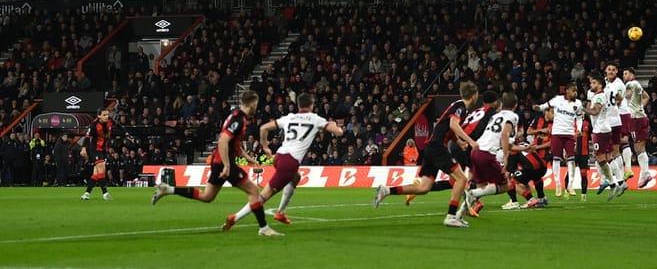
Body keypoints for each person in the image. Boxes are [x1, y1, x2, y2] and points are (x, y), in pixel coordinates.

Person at [151, 91, 279, 237]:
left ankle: (168, 189)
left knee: (207, 196)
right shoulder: (239, 120)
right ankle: (264, 228)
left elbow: (233, 142)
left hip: (219, 161)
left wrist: (246, 157)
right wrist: (227, 165)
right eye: (256, 105)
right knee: (254, 191)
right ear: (252, 104)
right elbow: (223, 140)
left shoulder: (236, 116)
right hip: (224, 162)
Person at [222, 92, 344, 232]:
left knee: (296, 177)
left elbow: (263, 128)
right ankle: (235, 218)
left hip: (280, 156)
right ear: (312, 105)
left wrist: (265, 146)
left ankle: (280, 212)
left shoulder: (289, 117)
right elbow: (339, 132)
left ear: (298, 105)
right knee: (264, 195)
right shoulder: (315, 119)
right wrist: (335, 124)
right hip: (289, 161)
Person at [374, 81, 480, 228]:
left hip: (431, 148)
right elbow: (452, 125)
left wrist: (459, 141)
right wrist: (470, 141)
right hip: (437, 147)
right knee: (461, 179)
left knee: (424, 188)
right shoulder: (460, 107)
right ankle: (451, 216)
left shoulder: (457, 106)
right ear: (474, 95)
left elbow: (447, 127)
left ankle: (386, 190)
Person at [459, 92, 526, 219]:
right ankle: (473, 193)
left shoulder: (496, 115)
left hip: (476, 150)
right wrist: (506, 158)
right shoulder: (513, 116)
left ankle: (458, 215)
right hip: (487, 154)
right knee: (506, 184)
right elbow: (505, 136)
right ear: (515, 105)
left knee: (481, 183)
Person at [531, 82, 583, 197]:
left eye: (576, 91)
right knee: (556, 159)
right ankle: (558, 185)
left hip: (570, 134)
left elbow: (579, 118)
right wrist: (537, 107)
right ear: (567, 91)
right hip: (557, 133)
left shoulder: (578, 104)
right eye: (573, 90)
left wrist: (578, 129)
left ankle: (570, 185)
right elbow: (544, 106)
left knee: (571, 159)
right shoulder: (557, 100)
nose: (575, 93)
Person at [585, 71, 625, 200]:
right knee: (608, 157)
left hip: (600, 130)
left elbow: (595, 111)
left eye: (594, 82)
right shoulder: (600, 95)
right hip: (605, 128)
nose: (591, 84)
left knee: (600, 159)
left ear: (600, 85)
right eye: (591, 82)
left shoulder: (598, 97)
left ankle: (613, 183)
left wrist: (581, 109)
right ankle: (619, 182)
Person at [623, 67, 652, 188]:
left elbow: (626, 95)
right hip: (641, 117)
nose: (624, 75)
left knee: (638, 147)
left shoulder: (631, 84)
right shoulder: (637, 85)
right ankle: (644, 173)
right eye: (623, 73)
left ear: (632, 75)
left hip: (636, 119)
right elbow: (647, 97)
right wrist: (640, 107)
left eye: (626, 73)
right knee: (640, 147)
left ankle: (645, 173)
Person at [80, 109, 114, 201]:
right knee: (102, 169)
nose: (106, 116)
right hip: (95, 150)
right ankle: (105, 193)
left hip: (103, 150)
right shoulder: (94, 125)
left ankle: (87, 193)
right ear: (99, 116)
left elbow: (118, 126)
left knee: (96, 173)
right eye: (104, 115)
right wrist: (83, 148)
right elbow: (87, 138)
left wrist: (127, 134)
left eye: (107, 114)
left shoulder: (110, 121)